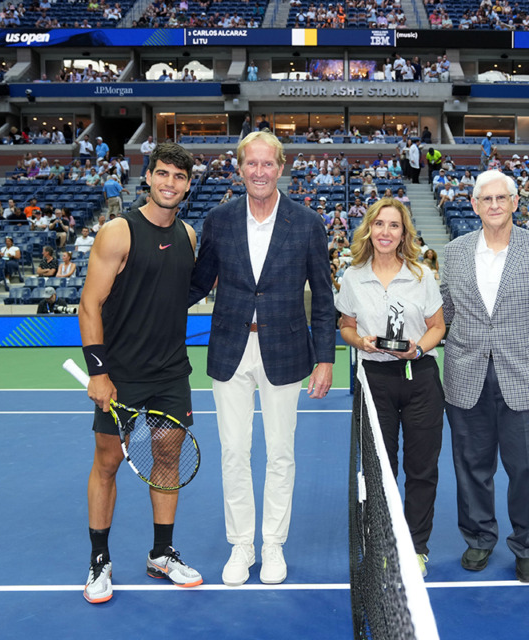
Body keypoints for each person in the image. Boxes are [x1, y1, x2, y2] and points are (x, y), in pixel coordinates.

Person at [187, 131, 336, 587]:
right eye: (250, 163)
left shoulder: (308, 222)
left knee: (280, 454)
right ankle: (241, 545)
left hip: (287, 349)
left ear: (281, 166)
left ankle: (272, 544)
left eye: (267, 163)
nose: (258, 171)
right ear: (238, 168)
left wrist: (326, 358)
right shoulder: (219, 220)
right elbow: (197, 284)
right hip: (230, 347)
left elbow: (324, 298)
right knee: (233, 452)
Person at [77, 142, 203, 605]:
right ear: (148, 176)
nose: (171, 183)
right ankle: (99, 559)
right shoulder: (118, 232)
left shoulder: (189, 235)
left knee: (167, 460)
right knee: (107, 463)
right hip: (121, 374)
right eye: (163, 174)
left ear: (188, 184)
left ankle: (161, 554)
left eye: (180, 177)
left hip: (171, 372)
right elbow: (89, 303)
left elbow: (173, 295)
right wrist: (98, 372)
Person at [439, 169, 529, 584]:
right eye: (485, 199)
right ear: (474, 205)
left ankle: (528, 545)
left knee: (528, 469)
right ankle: (478, 538)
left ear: (515, 203)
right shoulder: (454, 251)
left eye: (502, 198)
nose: (494, 205)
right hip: (465, 374)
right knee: (471, 467)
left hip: (528, 380)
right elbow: (446, 313)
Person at [335, 198, 446, 576]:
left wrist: (419, 348)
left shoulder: (422, 275)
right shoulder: (352, 276)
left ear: (404, 233)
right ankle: (383, 544)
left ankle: (416, 548)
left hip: (420, 379)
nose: (385, 232)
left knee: (421, 468)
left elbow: (438, 326)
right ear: (369, 229)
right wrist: (360, 341)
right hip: (375, 379)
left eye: (394, 225)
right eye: (379, 224)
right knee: (380, 470)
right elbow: (345, 325)